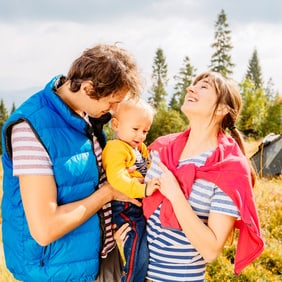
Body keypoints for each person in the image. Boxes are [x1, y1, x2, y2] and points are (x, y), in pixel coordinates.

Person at [1, 43, 143, 282]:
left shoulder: (86, 116)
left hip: (100, 259)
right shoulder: (31, 128)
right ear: (87, 88)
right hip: (58, 272)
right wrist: (107, 194)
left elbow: (84, 185)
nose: (115, 110)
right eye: (111, 101)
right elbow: (45, 229)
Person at [116, 71, 265, 282]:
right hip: (136, 275)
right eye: (193, 84)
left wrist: (176, 196)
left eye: (203, 87)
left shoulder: (229, 168)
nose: (191, 88)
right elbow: (138, 203)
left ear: (222, 109)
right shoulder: (160, 148)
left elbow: (211, 250)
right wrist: (125, 232)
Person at [102, 98, 159, 282]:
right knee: (135, 243)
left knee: (142, 244)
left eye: (145, 131)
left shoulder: (138, 148)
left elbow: (148, 168)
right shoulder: (115, 148)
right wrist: (143, 189)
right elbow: (117, 179)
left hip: (136, 206)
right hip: (124, 206)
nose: (140, 135)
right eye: (135, 129)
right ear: (116, 124)